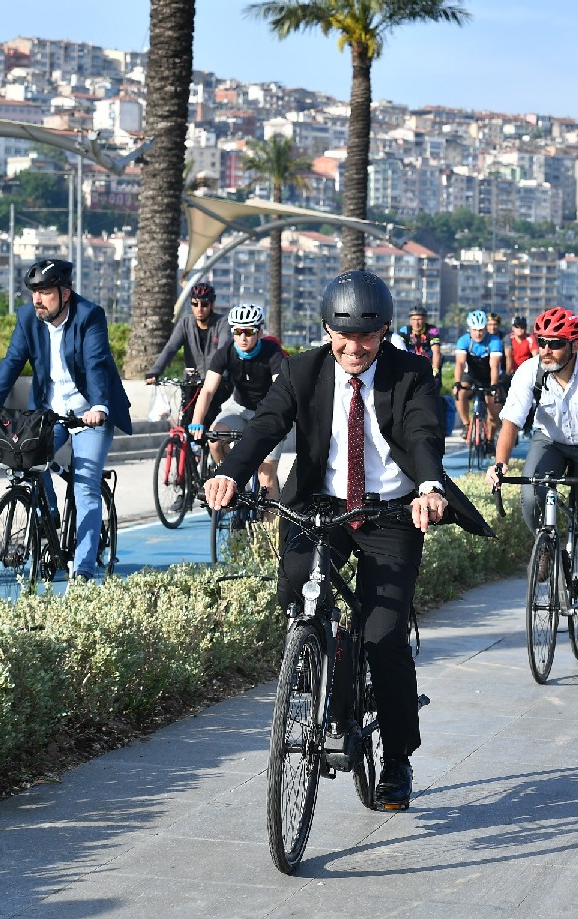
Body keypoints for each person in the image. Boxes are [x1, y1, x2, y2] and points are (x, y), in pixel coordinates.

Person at [202, 269, 493, 811]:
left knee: (384, 639)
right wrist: (231, 473)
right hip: (321, 504)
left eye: (367, 335)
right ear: (326, 329)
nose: (354, 347)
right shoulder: (302, 369)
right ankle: (315, 662)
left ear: (384, 331)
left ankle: (397, 760)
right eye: (343, 334)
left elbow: (423, 433)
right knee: (298, 588)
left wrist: (429, 487)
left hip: (392, 511)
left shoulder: (411, 374)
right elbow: (265, 425)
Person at [0, 258, 132, 582]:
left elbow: (97, 363)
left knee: (85, 486)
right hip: (50, 411)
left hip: (90, 413)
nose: (37, 299)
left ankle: (84, 567)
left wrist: (99, 406)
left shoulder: (89, 316)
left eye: (45, 292)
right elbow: (11, 362)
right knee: (26, 462)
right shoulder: (28, 318)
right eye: (34, 292)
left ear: (65, 292)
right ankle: (51, 517)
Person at [486, 306, 578, 649]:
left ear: (574, 345)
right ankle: (547, 548)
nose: (544, 350)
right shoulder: (531, 370)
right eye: (540, 342)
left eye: (554, 344)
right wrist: (499, 464)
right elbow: (511, 420)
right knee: (530, 495)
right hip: (550, 441)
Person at [190, 303, 287, 499]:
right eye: (238, 331)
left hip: (268, 412)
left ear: (259, 332)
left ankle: (268, 529)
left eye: (249, 331)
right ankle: (232, 483)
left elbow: (281, 390)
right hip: (239, 408)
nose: (243, 337)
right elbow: (208, 390)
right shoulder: (225, 352)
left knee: (266, 478)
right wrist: (197, 421)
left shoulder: (272, 351)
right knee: (215, 440)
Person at [144, 281, 230, 423]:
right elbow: (171, 348)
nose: (199, 309)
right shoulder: (185, 323)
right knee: (185, 420)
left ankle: (209, 443)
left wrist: (215, 376)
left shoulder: (222, 323)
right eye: (195, 304)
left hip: (218, 381)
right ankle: (184, 444)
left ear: (212, 305)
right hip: (193, 381)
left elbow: (223, 350)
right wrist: (155, 371)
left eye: (204, 304)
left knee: (207, 416)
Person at [454, 310, 504, 430]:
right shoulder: (464, 340)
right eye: (474, 330)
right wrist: (457, 383)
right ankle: (467, 425)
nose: (478, 333)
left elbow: (494, 366)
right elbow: (460, 363)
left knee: (493, 410)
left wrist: (493, 386)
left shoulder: (494, 341)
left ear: (486, 328)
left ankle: (490, 439)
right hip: (472, 374)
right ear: (469, 329)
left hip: (490, 376)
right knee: (460, 393)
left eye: (481, 330)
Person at [398, 306, 441, 374]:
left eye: (419, 319)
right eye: (413, 319)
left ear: (425, 319)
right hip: (410, 365)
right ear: (410, 320)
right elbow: (399, 350)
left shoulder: (432, 330)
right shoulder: (405, 330)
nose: (416, 323)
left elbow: (436, 352)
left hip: (428, 364)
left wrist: (435, 369)